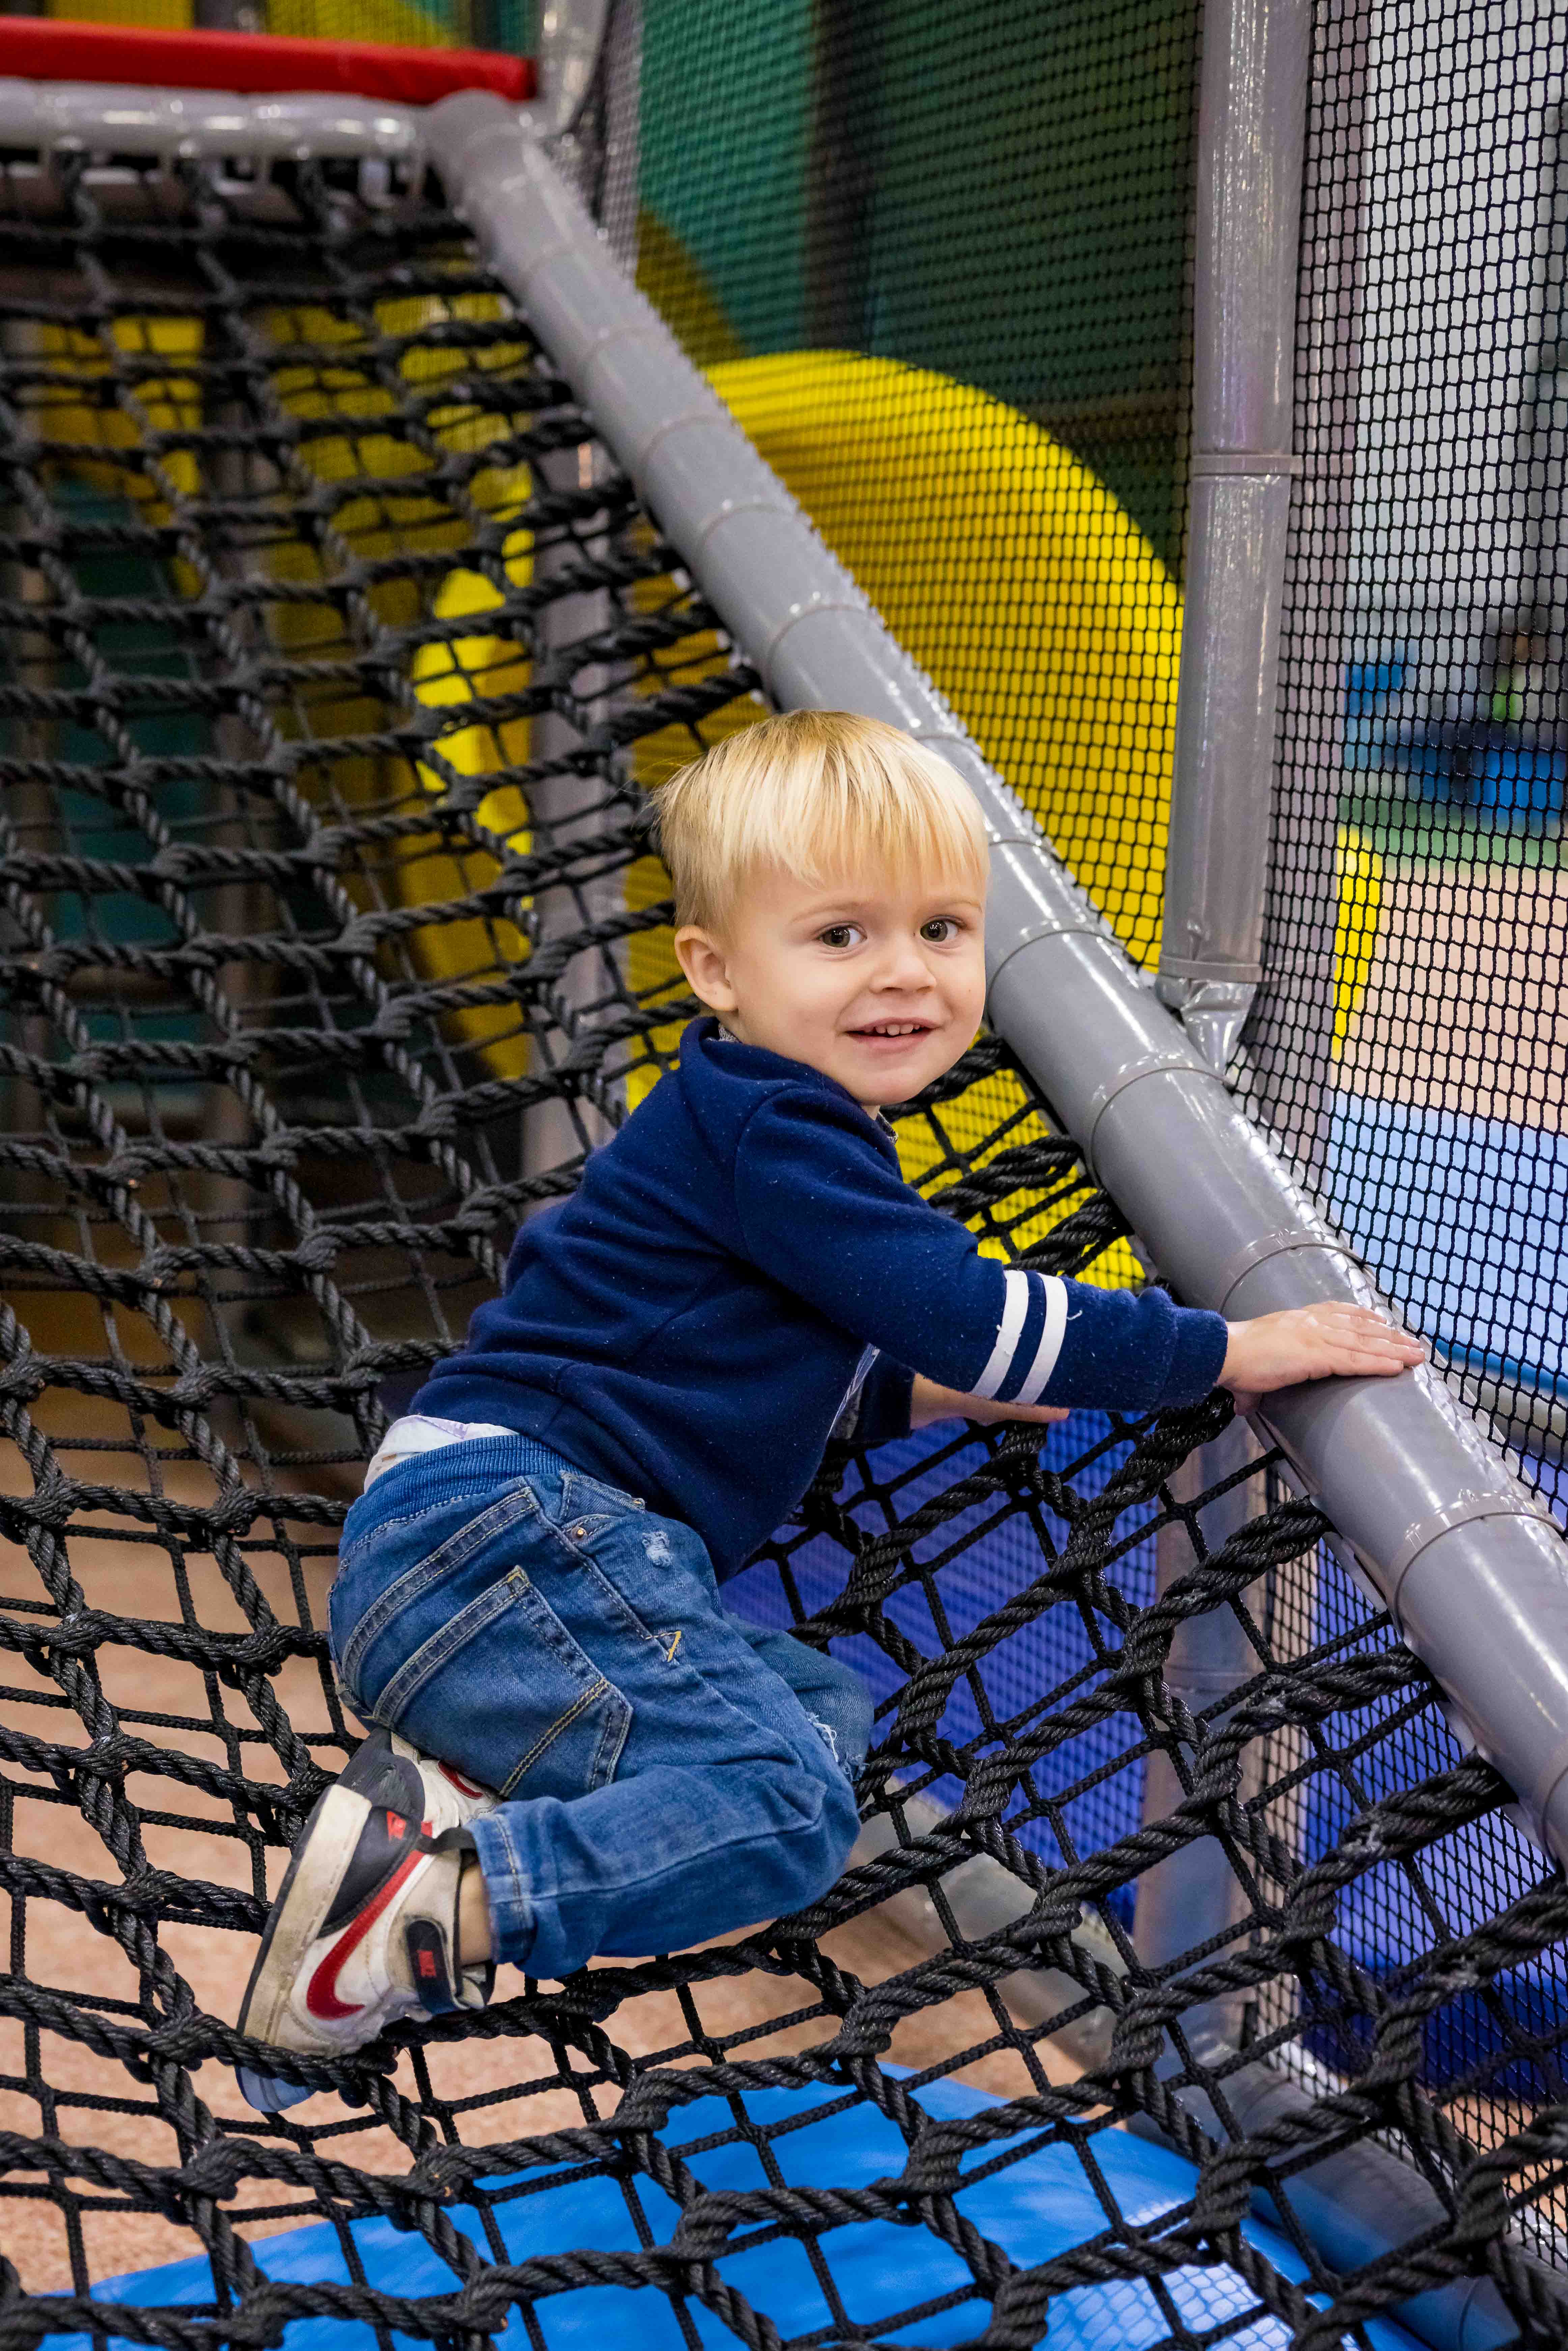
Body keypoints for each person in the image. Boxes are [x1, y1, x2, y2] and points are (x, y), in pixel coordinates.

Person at [235, 710, 1423, 2109]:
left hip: (476, 1562)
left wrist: (930, 1398)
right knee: (788, 1807)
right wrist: (1222, 1346)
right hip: (511, 1538)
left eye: (942, 928)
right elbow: (967, 1309)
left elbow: (746, 1366)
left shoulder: (746, 1124)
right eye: (841, 937)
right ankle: (438, 1910)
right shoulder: (781, 1126)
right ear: (717, 972)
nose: (906, 973)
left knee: (810, 1716)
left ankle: (453, 1808)